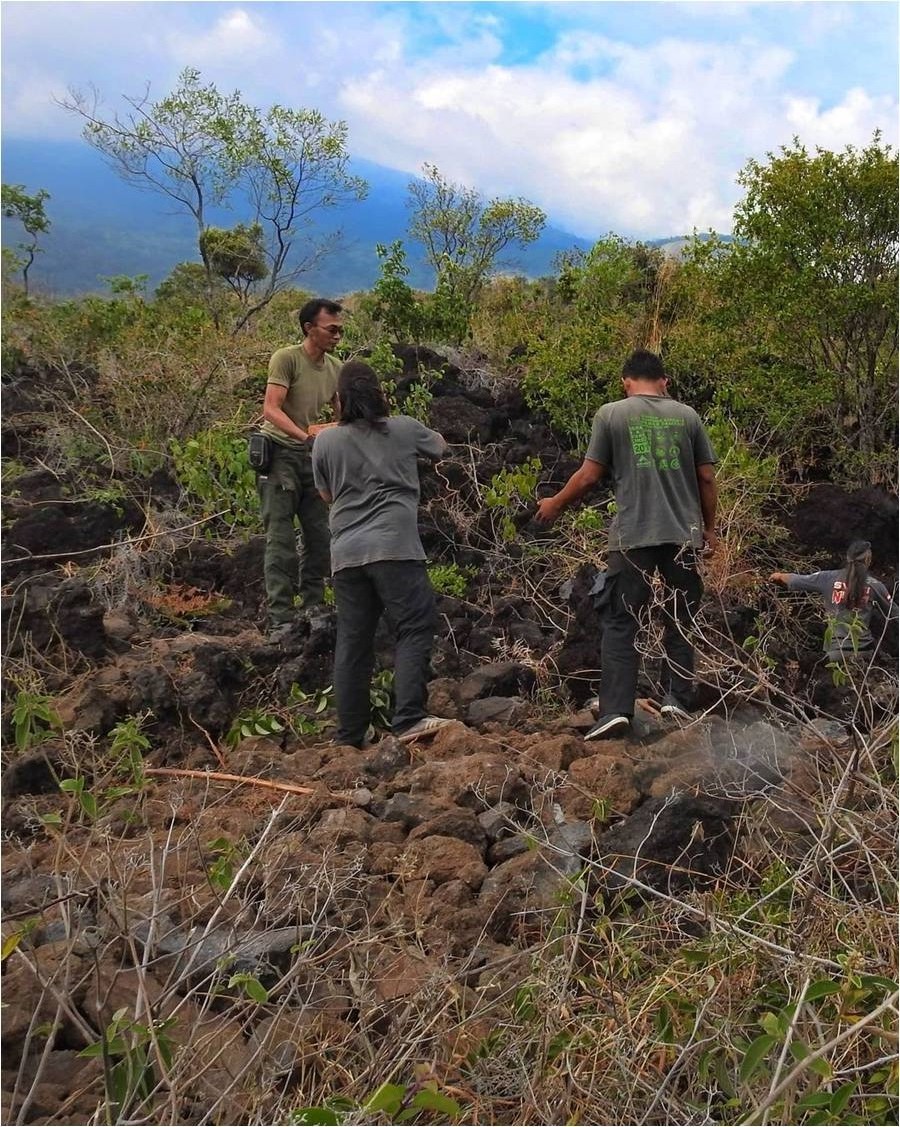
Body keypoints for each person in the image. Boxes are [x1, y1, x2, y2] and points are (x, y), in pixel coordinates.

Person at [535, 349, 718, 740]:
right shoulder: (688, 417)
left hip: (633, 537)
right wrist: (710, 529)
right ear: (664, 381)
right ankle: (677, 699)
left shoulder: (611, 414)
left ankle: (616, 711)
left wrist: (554, 504)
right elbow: (706, 478)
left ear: (625, 382)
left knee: (621, 620)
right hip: (683, 537)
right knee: (680, 617)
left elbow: (587, 477)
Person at [312, 360, 452, 748]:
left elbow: (326, 495)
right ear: (380, 394)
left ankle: (350, 735)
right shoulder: (404, 429)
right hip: (395, 547)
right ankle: (408, 718)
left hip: (346, 554)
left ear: (338, 401)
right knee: (415, 625)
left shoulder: (325, 441)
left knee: (354, 642)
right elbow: (440, 446)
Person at [258, 298, 343, 640]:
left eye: (340, 329)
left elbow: (343, 415)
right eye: (331, 329)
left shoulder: (336, 367)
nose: (337, 335)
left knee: (319, 537)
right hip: (279, 454)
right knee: (280, 539)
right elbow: (271, 409)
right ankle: (280, 618)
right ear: (310, 328)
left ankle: (313, 608)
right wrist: (305, 437)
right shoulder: (287, 358)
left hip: (313, 459)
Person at [770, 540, 897, 661]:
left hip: (835, 653)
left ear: (847, 558)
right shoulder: (876, 585)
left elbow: (797, 580)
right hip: (865, 653)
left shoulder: (827, 578)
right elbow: (895, 614)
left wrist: (779, 576)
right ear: (868, 560)